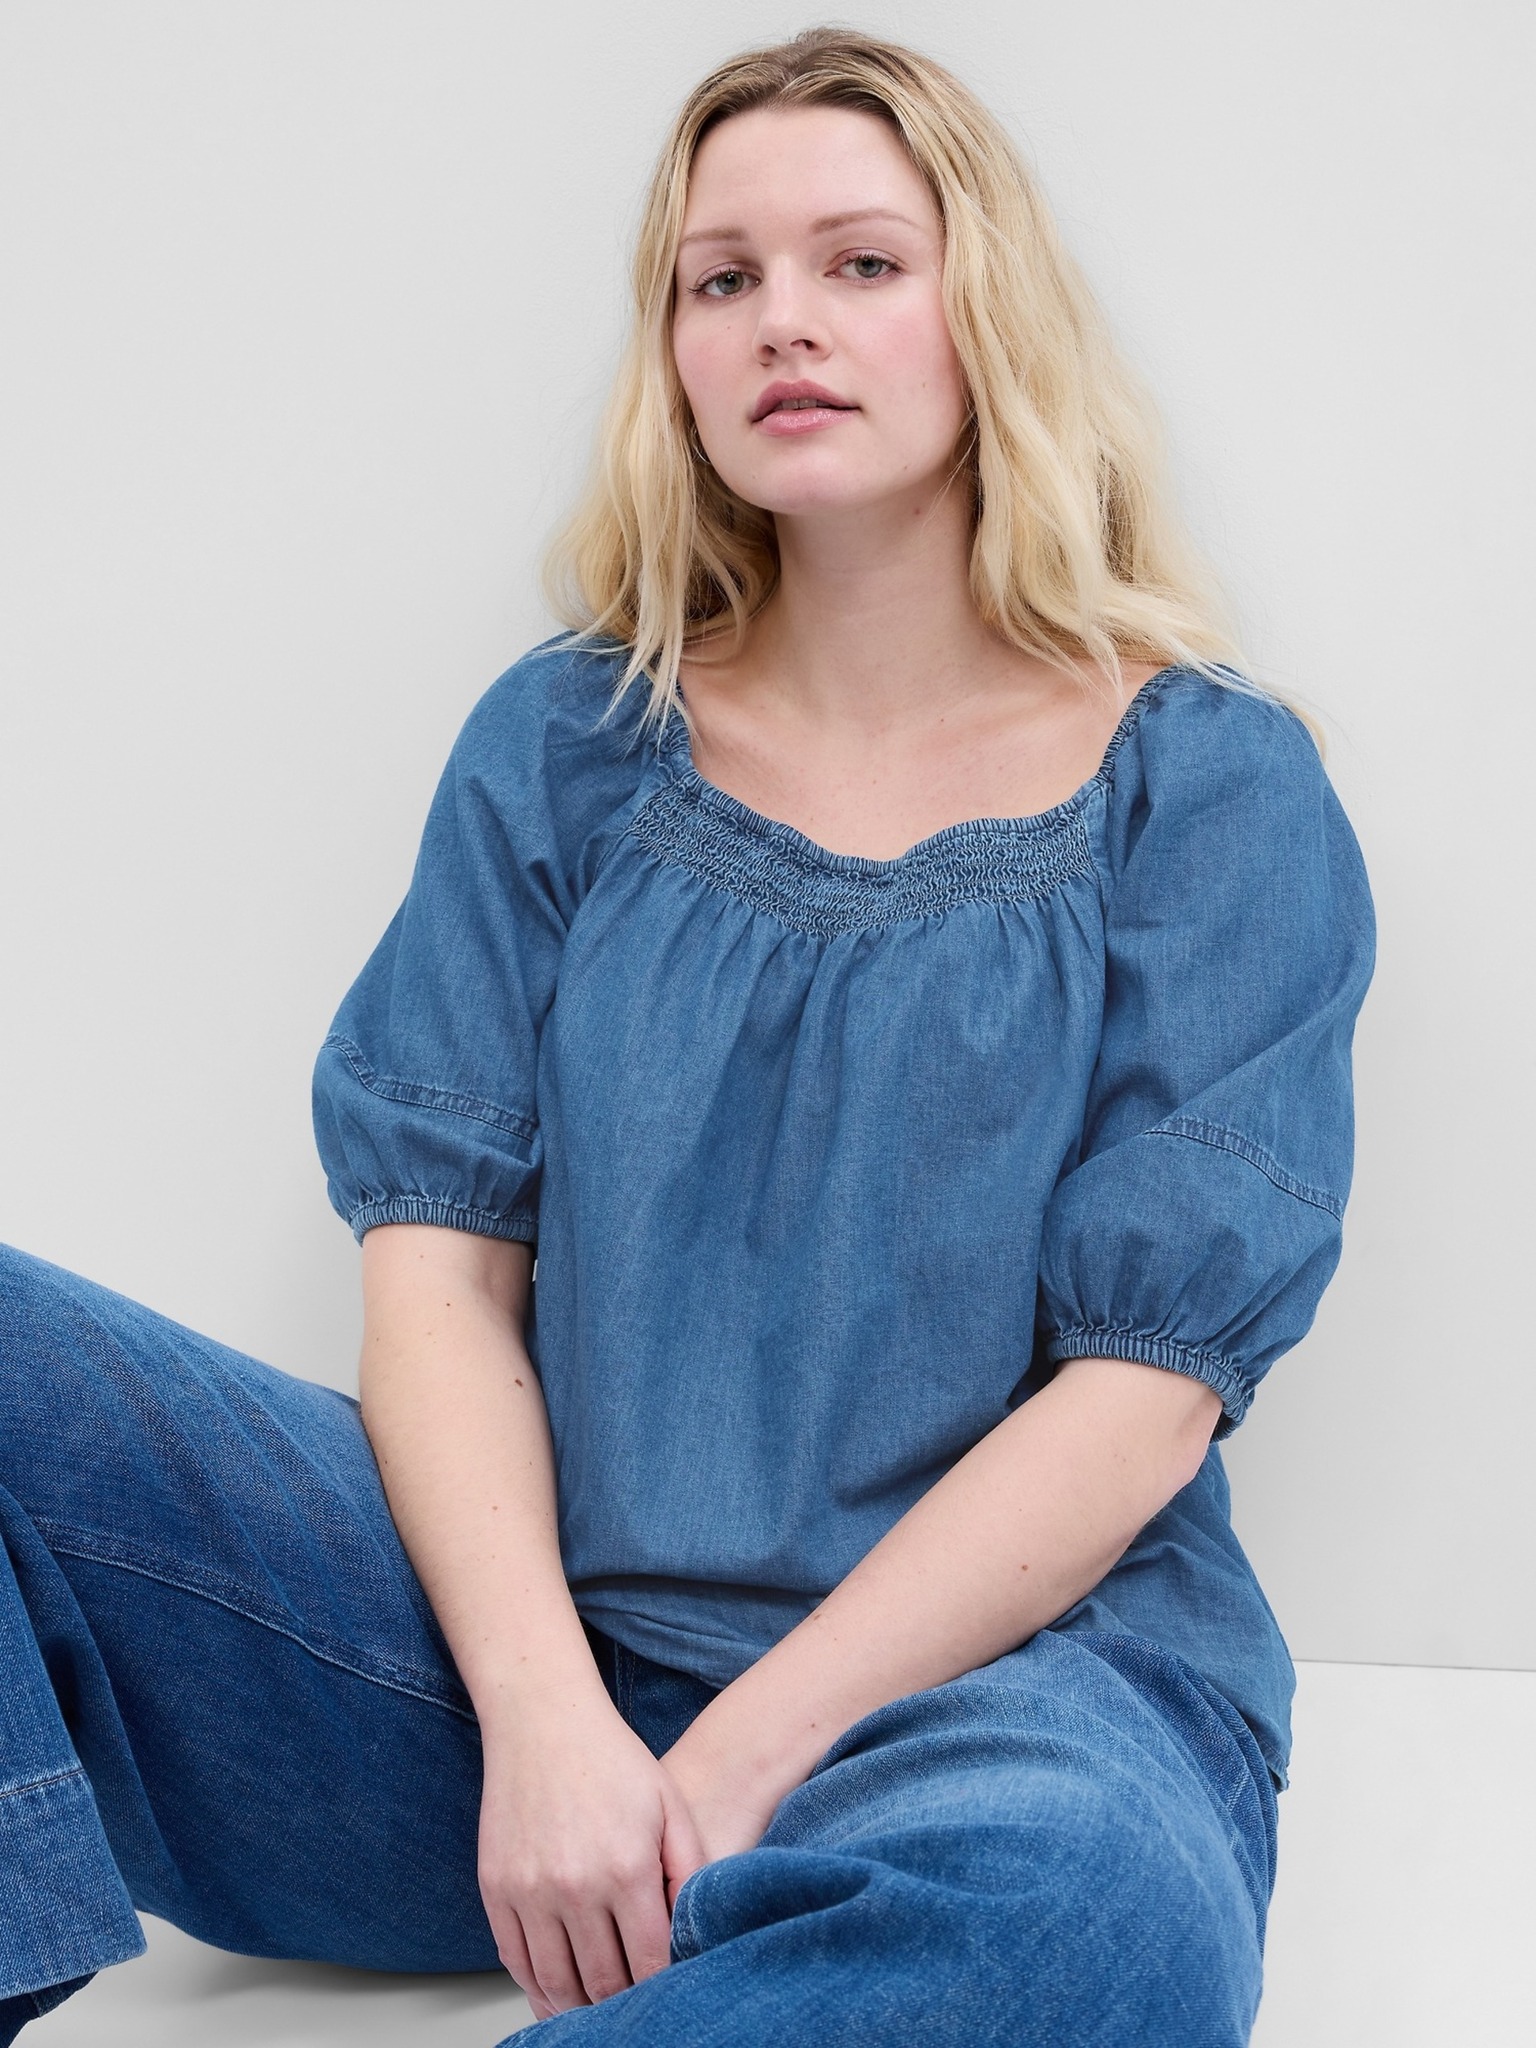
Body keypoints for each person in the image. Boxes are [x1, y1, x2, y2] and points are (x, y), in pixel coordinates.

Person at [0, 26, 1375, 2047]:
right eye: (719, 279)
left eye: (860, 263)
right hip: (508, 1702)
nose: (780, 322)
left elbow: (1147, 1394)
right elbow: (439, 1280)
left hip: (1009, 1702)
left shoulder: (1212, 787)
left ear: (987, 313)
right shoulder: (568, 744)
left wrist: (736, 1756)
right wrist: (552, 1723)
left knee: (1091, 1923)